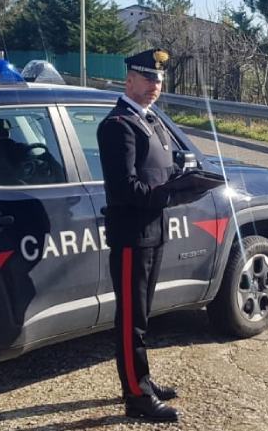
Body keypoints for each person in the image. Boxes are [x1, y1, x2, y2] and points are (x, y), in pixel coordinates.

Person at [97, 48, 192, 422]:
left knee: (144, 315)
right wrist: (171, 193)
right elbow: (125, 189)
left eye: (160, 78)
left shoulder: (151, 120)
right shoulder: (118, 124)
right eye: (149, 77)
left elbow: (162, 169)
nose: (157, 84)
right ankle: (137, 398)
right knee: (130, 321)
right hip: (131, 236)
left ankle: (143, 380)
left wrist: (187, 183)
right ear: (130, 80)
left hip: (154, 231)